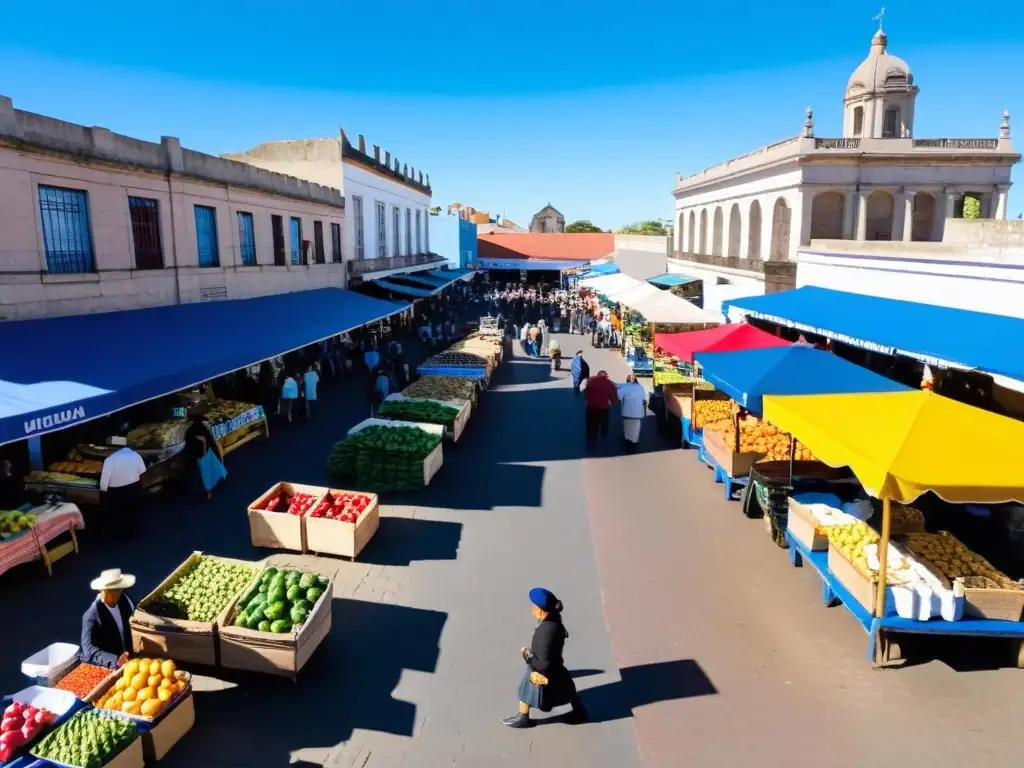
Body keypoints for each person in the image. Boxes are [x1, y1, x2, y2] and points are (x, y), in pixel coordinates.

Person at [502, 587, 588, 728]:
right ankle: (579, 712)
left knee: (526, 692)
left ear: (542, 610)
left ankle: (523, 717)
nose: (532, 609)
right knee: (566, 690)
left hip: (542, 670)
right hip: (557, 667)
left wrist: (528, 657)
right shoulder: (554, 621)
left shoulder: (545, 633)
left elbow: (543, 664)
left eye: (534, 606)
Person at [81, 568, 136, 670]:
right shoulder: (90, 616)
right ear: (101, 590)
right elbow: (88, 651)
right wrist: (115, 660)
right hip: (109, 668)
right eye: (109, 590)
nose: (113, 594)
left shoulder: (126, 602)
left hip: (130, 662)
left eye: (117, 590)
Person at [99, 437, 146, 537]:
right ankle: (136, 531)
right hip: (134, 488)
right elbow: (142, 471)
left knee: (120, 514)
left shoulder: (110, 460)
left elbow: (104, 482)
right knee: (134, 511)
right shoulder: (136, 455)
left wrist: (103, 495)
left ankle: (123, 535)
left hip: (117, 492)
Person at [186, 417, 226, 497]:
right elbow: (209, 441)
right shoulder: (204, 428)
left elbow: (202, 445)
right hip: (207, 452)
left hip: (202, 455)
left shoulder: (192, 433)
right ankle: (212, 486)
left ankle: (209, 490)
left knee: (205, 473)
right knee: (210, 470)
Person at [582, 370, 618, 445]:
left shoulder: (591, 380)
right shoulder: (609, 383)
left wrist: (587, 398)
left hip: (592, 406)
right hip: (603, 407)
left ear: (598, 375)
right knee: (604, 422)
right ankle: (604, 436)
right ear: (606, 376)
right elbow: (613, 395)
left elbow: (586, 391)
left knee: (591, 422)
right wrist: (614, 402)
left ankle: (591, 437)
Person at [617, 374, 648, 447]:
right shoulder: (641, 387)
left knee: (627, 425)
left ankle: (628, 438)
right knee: (636, 426)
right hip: (638, 411)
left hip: (627, 411)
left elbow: (618, 396)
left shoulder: (625, 388)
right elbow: (644, 398)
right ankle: (634, 439)